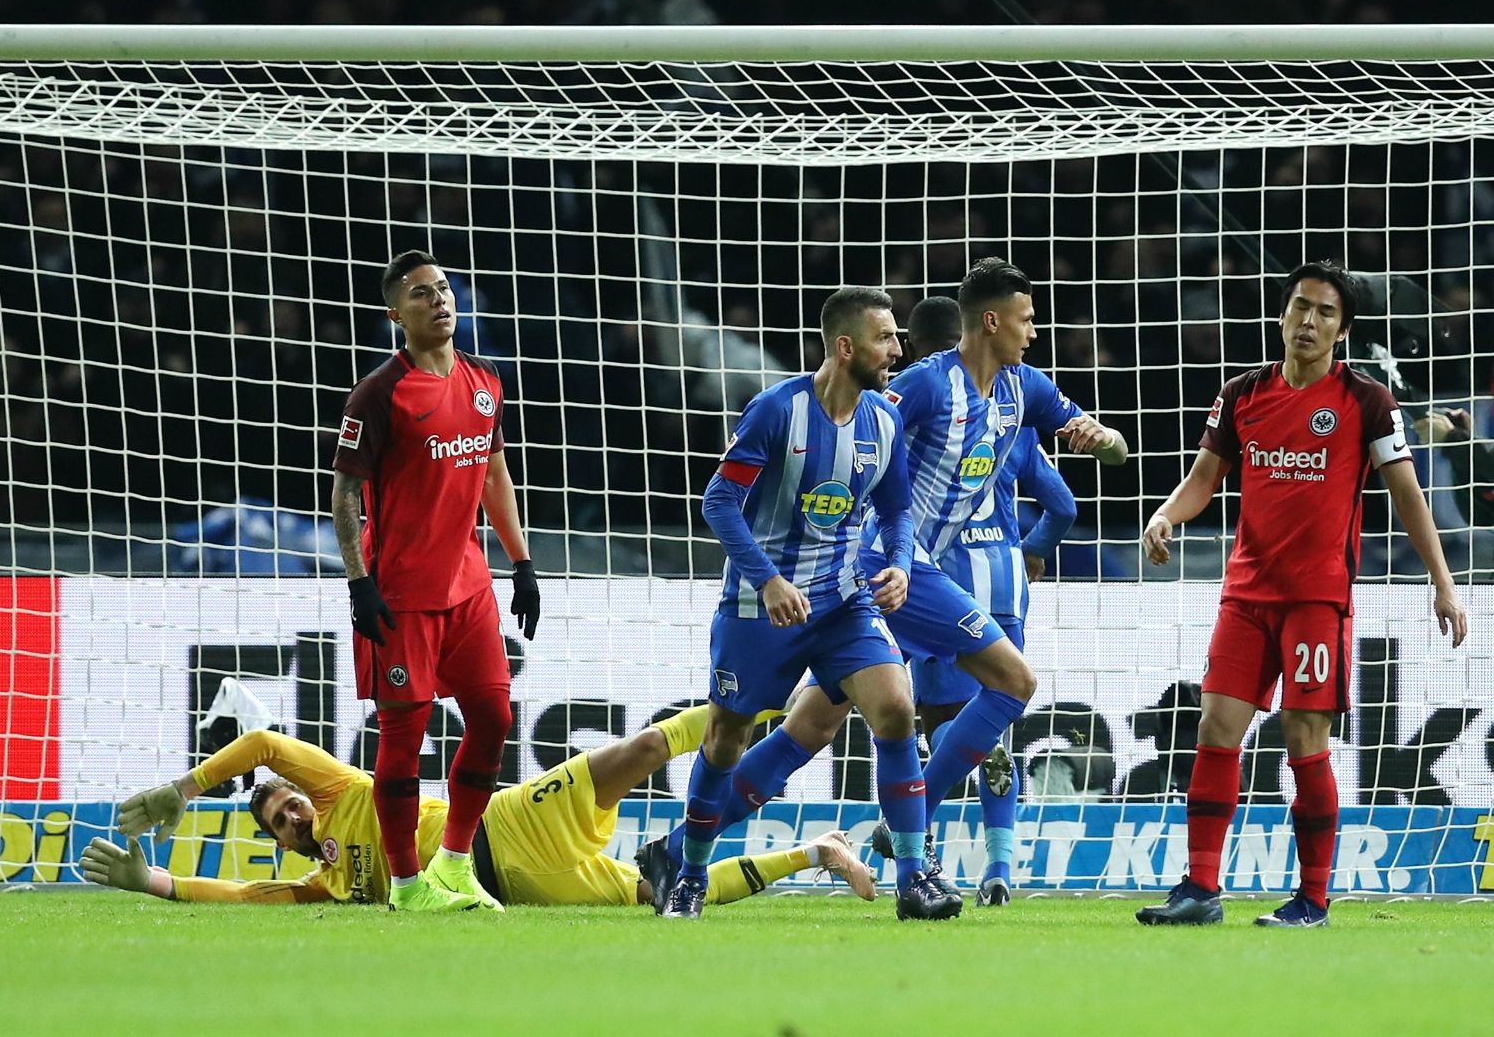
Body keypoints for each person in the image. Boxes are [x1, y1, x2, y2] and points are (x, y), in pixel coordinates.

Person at [647, 260, 1126, 913]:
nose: (1035, 332)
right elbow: (859, 431)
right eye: (1027, 319)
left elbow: (1098, 451)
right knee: (1005, 682)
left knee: (813, 728)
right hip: (876, 570)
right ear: (991, 320)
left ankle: (679, 848)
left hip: (897, 574)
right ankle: (911, 834)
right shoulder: (924, 387)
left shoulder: (1025, 390)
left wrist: (1102, 441)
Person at [1136, 260, 1468, 929]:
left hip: (1317, 599)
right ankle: (1201, 888)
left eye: (1323, 312)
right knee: (1215, 730)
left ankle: (1313, 898)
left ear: (1342, 331)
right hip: (1246, 595)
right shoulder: (1242, 394)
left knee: (1303, 738)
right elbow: (1205, 477)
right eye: (1299, 307)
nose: (1308, 321)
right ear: (1282, 316)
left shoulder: (1366, 400)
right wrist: (1167, 514)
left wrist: (1442, 582)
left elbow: (1407, 492)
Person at [655, 286, 949, 921]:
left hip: (843, 603)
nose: (897, 349)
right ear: (846, 347)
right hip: (760, 608)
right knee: (726, 740)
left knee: (896, 709)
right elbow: (719, 503)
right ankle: (690, 873)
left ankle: (914, 876)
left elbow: (896, 512)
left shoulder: (885, 421)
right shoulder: (775, 412)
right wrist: (766, 580)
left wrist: (898, 563)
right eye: (885, 338)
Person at [88, 705, 875, 909]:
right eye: (280, 824)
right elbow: (234, 894)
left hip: (508, 822)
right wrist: (149, 884)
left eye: (289, 805)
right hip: (517, 889)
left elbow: (261, 741)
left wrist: (183, 790)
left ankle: (767, 703)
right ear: (284, 844)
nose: (293, 817)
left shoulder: (340, 790)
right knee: (658, 894)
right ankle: (817, 852)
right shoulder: (318, 885)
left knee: (637, 754)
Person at [328, 250, 540, 913]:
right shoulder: (379, 394)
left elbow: (494, 475)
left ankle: (453, 862)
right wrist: (359, 583)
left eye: (443, 289)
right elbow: (344, 493)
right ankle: (405, 884)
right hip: (401, 593)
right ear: (398, 313)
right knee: (404, 735)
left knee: (493, 715)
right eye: (422, 295)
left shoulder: (485, 381)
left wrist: (522, 562)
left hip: (468, 586)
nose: (439, 301)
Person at [895, 295, 1078, 906]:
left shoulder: (926, 403)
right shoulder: (1018, 417)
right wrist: (1031, 549)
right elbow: (1064, 506)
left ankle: (915, 849)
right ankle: (1000, 864)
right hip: (1003, 581)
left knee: (921, 720)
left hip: (934, 577)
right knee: (993, 722)